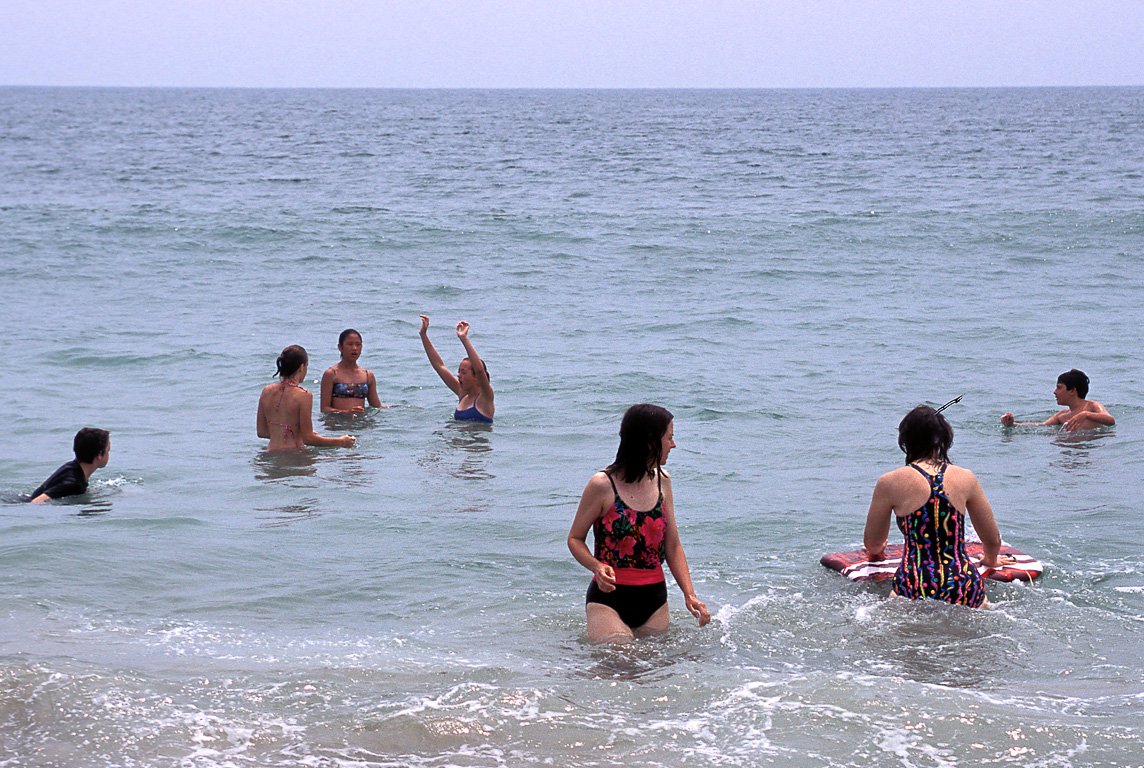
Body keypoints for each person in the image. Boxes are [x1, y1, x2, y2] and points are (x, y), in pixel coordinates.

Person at [568, 404, 711, 642]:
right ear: (649, 441)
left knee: (653, 672)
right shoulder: (602, 484)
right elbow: (575, 539)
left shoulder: (663, 481)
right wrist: (595, 566)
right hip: (608, 600)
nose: (673, 445)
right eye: (669, 438)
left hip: (654, 600)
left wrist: (690, 594)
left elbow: (673, 545)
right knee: (621, 659)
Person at [864, 405, 1010, 608]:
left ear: (906, 440)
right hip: (963, 584)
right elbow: (992, 539)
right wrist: (991, 560)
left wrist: (878, 550)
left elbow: (872, 543)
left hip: (915, 584)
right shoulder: (965, 478)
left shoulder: (889, 482)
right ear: (943, 439)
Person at [257, 345, 356, 451]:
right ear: (301, 367)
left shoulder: (266, 391)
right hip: (295, 456)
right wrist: (341, 441)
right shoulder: (303, 395)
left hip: (271, 456)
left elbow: (262, 432)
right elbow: (308, 439)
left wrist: (296, 433)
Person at [418, 315, 494, 424]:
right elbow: (439, 366)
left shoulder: (485, 397)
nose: (458, 375)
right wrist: (423, 335)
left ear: (476, 378)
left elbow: (480, 370)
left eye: (463, 372)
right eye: (459, 372)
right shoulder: (462, 393)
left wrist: (463, 338)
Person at [1001, 368, 1114, 432]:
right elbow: (1040, 426)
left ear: (1072, 390)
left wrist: (1085, 415)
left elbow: (1110, 420)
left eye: (1059, 387)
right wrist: (1013, 425)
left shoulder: (1092, 407)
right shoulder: (1062, 416)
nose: (1055, 392)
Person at [29, 427, 111, 502]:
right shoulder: (73, 483)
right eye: (108, 450)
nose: (108, 454)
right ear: (100, 455)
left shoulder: (74, 468)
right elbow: (35, 502)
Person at [320, 328, 387, 414]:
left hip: (361, 424)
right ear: (340, 347)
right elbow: (324, 408)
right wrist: (346, 412)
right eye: (350, 344)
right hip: (338, 424)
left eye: (358, 344)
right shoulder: (331, 374)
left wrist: (400, 409)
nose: (354, 348)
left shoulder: (367, 376)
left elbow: (376, 406)